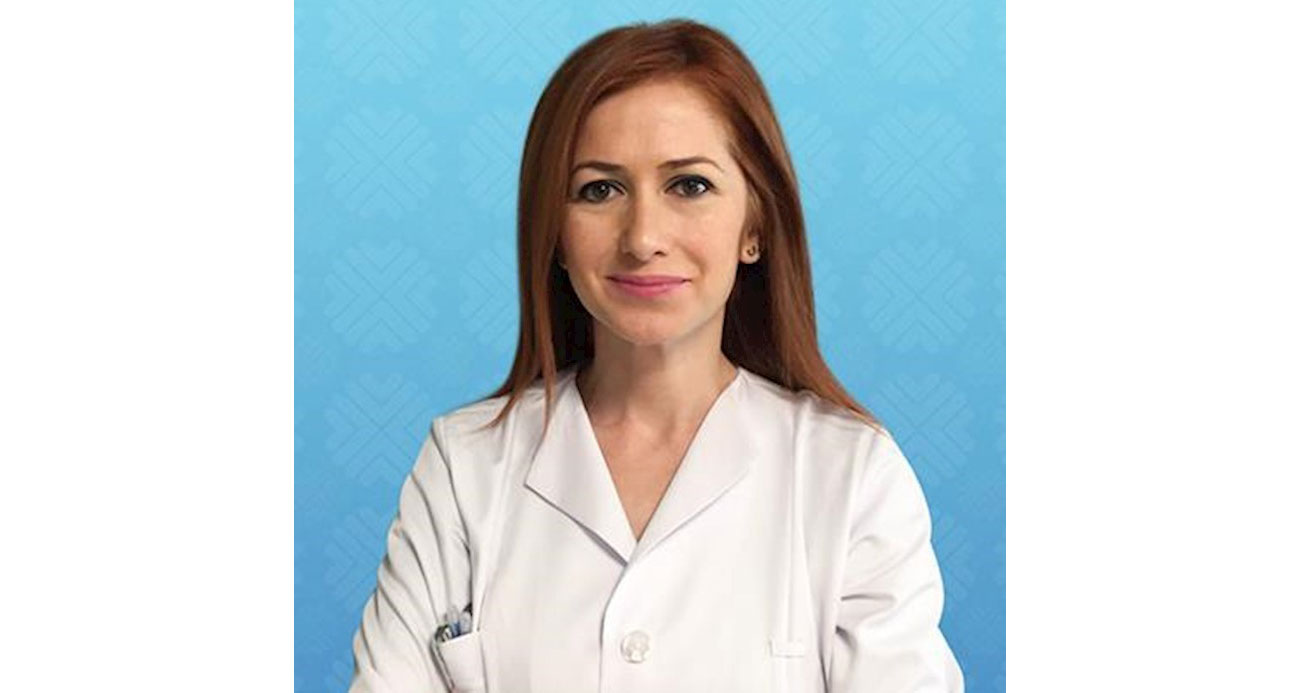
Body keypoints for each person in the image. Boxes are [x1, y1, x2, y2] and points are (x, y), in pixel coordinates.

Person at [348, 18, 964, 693]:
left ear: (755, 226)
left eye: (689, 185)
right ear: (554, 235)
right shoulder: (464, 467)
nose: (643, 238)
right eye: (599, 189)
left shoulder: (850, 476)